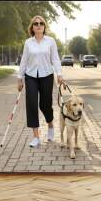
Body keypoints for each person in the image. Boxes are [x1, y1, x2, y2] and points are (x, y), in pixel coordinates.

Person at [17, 15, 64, 148]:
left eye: (41, 23)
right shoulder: (28, 43)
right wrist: (19, 78)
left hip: (47, 75)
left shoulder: (50, 41)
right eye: (36, 23)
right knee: (31, 104)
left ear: (44, 27)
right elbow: (24, 60)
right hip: (31, 76)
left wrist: (59, 74)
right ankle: (36, 137)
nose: (38, 25)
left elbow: (55, 59)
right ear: (32, 27)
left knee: (45, 104)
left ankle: (50, 125)